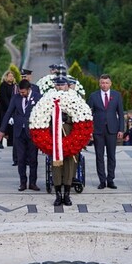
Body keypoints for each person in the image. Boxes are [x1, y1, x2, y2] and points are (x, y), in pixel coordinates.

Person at [0, 79, 42, 191]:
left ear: (29, 89)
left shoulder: (38, 97)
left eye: (23, 92)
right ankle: (23, 182)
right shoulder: (16, 98)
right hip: (19, 133)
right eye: (20, 92)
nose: (21, 94)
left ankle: (32, 183)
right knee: (20, 159)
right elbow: (8, 113)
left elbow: (42, 113)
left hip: (32, 132)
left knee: (33, 159)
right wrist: (1, 131)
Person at [88, 74, 124, 190]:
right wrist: (89, 130)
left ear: (110, 83)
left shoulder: (116, 95)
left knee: (111, 156)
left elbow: (121, 113)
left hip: (112, 129)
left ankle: (110, 179)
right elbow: (89, 114)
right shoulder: (93, 96)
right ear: (99, 83)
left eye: (106, 83)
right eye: (102, 83)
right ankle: (102, 180)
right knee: (99, 156)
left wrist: (121, 129)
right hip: (98, 130)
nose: (104, 85)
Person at [51, 75, 77, 205]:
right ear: (55, 86)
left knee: (68, 166)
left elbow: (80, 118)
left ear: (67, 86)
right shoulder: (49, 99)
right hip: (55, 138)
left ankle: (67, 194)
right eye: (58, 85)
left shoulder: (74, 100)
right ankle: (57, 194)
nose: (60, 87)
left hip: (69, 136)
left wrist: (67, 119)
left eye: (63, 85)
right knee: (56, 166)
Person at [0, 70, 17, 155]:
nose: (11, 78)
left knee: (11, 127)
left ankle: (11, 142)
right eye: (9, 76)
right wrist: (10, 107)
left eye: (12, 76)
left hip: (13, 109)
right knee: (3, 124)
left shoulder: (15, 86)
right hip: (5, 109)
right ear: (6, 77)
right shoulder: (3, 86)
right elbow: (3, 97)